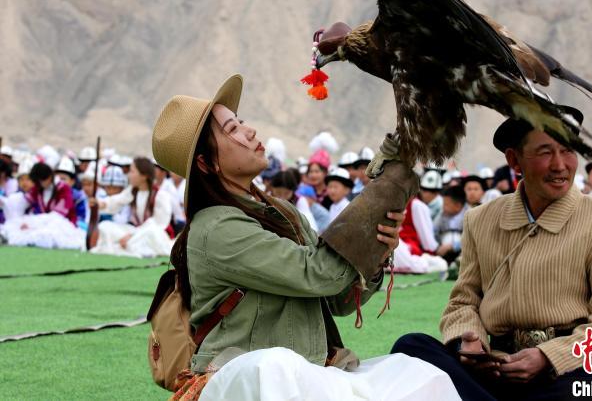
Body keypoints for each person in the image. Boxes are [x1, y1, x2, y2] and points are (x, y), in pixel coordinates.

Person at [151, 74, 459, 400]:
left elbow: (339, 299)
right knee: (275, 367)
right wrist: (386, 187)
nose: (249, 130)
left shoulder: (284, 211)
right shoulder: (216, 228)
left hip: (309, 370)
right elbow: (319, 273)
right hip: (242, 378)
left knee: (421, 374)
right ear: (206, 162)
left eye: (241, 122)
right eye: (232, 129)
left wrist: (377, 249)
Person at [392, 108, 592, 400]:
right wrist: (467, 341)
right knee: (411, 348)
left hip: (565, 372)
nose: (560, 165)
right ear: (514, 160)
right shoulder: (481, 219)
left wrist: (547, 356)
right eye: (545, 152)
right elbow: (463, 301)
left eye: (568, 151)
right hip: (495, 372)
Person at [89, 157, 173, 257]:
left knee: (150, 233)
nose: (129, 175)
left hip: (152, 234)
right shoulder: (133, 191)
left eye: (132, 172)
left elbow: (159, 224)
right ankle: (130, 245)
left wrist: (133, 235)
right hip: (136, 232)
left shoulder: (160, 195)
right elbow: (117, 201)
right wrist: (100, 204)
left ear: (144, 176)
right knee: (105, 226)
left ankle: (130, 245)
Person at [434, 186, 467, 264]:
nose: (443, 207)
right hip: (443, 250)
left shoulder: (468, 215)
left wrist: (453, 246)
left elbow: (471, 239)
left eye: (446, 205)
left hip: (463, 251)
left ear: (458, 206)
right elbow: (434, 232)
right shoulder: (441, 216)